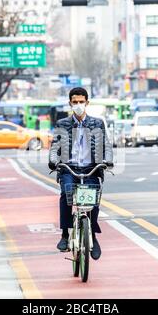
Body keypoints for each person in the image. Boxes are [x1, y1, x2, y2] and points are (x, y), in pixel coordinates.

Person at [48, 87, 114, 260]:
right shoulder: (62, 124)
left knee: (93, 200)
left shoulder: (97, 123)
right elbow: (55, 147)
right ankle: (64, 234)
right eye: (75, 102)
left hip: (90, 168)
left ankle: (92, 236)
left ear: (87, 103)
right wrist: (54, 161)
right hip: (69, 168)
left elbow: (106, 146)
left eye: (81, 102)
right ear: (70, 103)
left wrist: (107, 161)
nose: (78, 105)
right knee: (66, 194)